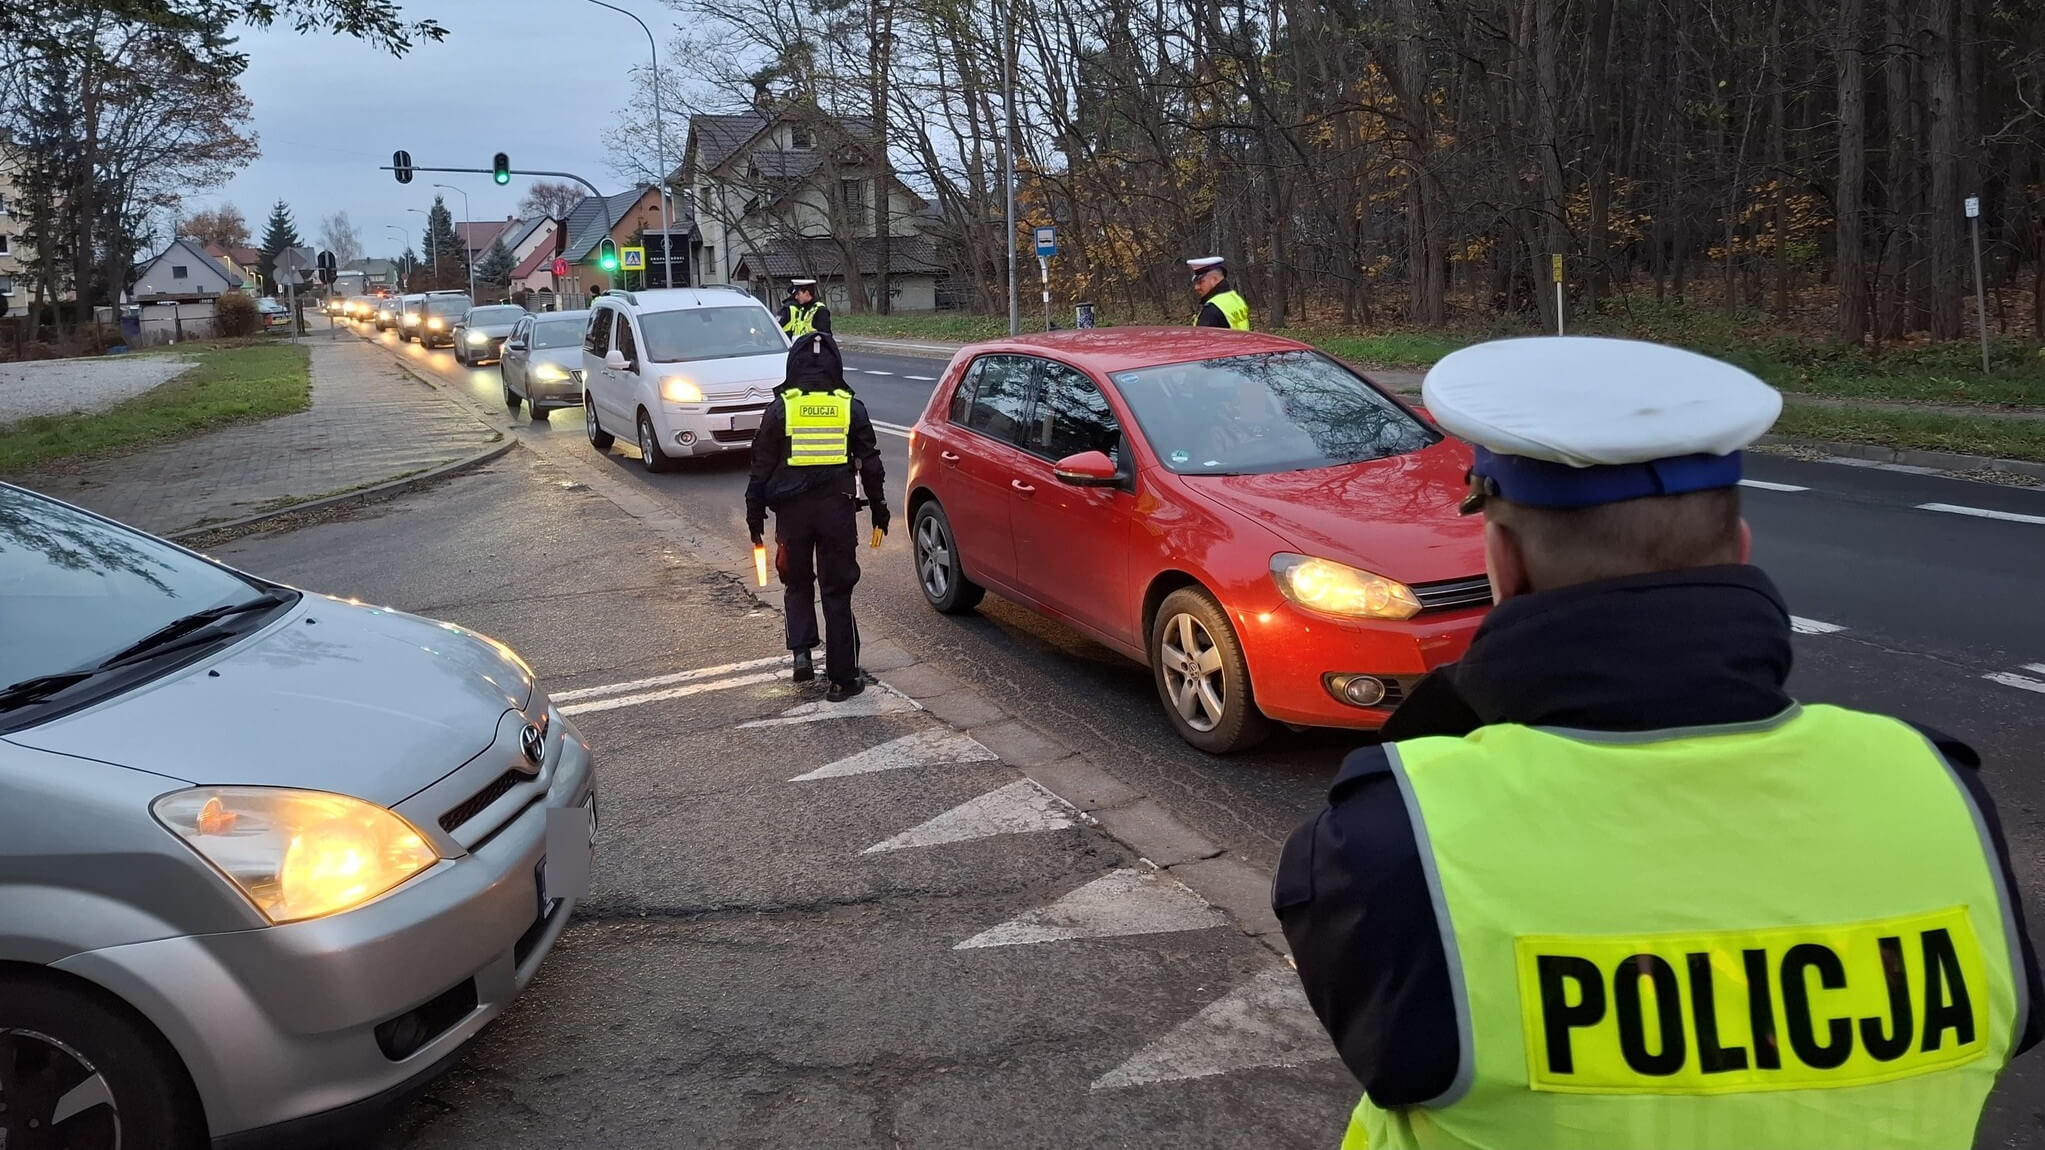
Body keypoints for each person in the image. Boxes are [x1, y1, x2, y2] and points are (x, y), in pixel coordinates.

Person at [1274, 336, 2042, 1150]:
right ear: (1740, 553)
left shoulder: (1397, 836)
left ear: (1504, 563)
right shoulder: (1938, 788)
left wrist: (1460, 701)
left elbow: (1385, 1046)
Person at [745, 332, 887, 701]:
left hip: (792, 515)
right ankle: (843, 680)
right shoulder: (850, 407)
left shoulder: (781, 408)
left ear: (793, 366)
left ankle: (802, 655)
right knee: (837, 593)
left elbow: (760, 466)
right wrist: (879, 509)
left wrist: (755, 515)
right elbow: (870, 464)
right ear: (835, 367)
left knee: (796, 582)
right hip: (836, 513)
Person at [1186, 256, 1249, 330]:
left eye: (1200, 282)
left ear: (1214, 279)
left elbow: (1201, 340)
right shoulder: (1235, 298)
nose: (1196, 287)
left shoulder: (1211, 311)